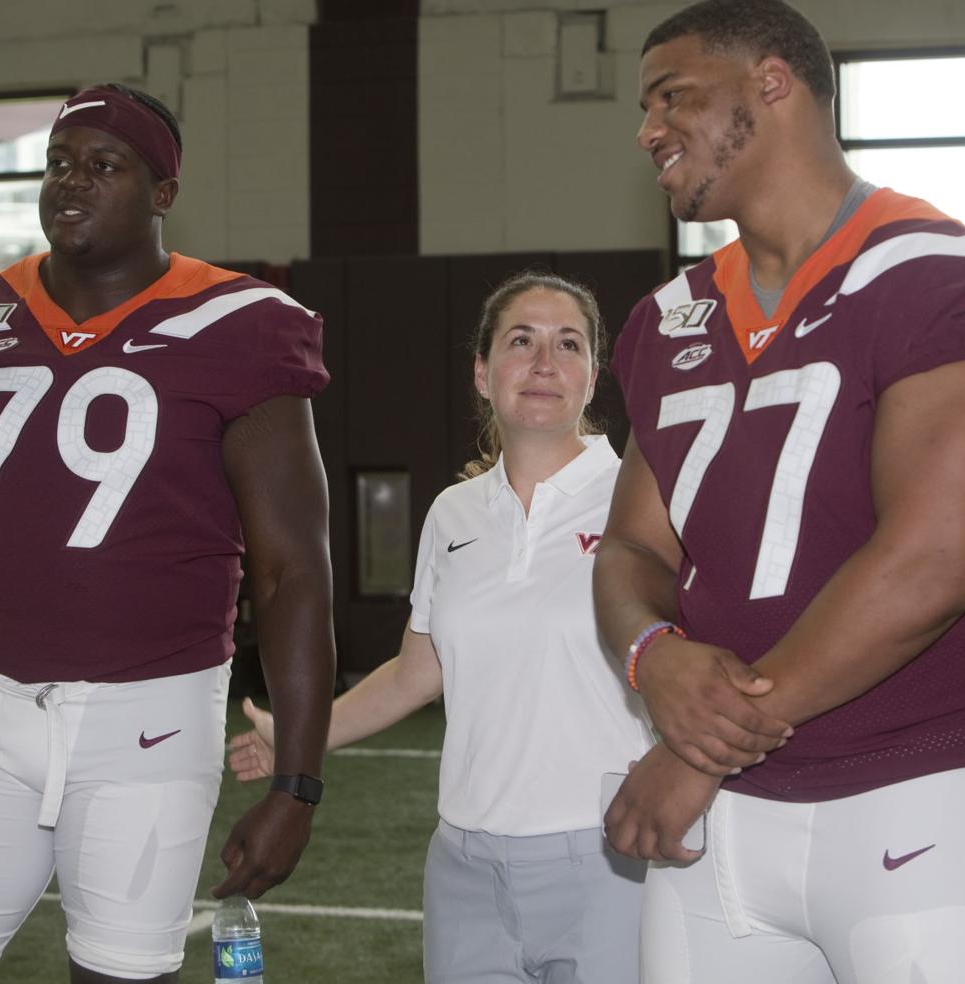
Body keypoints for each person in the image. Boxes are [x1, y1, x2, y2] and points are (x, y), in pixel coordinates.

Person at [0, 83, 336, 984]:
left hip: (150, 722)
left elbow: (292, 574)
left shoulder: (241, 324)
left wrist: (297, 784)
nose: (71, 182)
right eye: (58, 162)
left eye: (104, 165)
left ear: (162, 192)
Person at [595, 2, 965, 982]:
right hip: (714, 833)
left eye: (674, 97)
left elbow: (936, 561)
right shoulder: (669, 316)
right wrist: (648, 652)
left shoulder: (940, 272)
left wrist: (704, 747)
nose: (647, 131)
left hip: (907, 795)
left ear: (772, 84)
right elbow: (634, 547)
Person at [228, 271, 654, 984]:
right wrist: (300, 733)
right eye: (522, 341)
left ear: (593, 375)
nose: (545, 363)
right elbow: (417, 672)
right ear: (483, 374)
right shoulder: (453, 514)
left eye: (567, 344)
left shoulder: (640, 500)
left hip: (607, 861)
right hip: (465, 869)